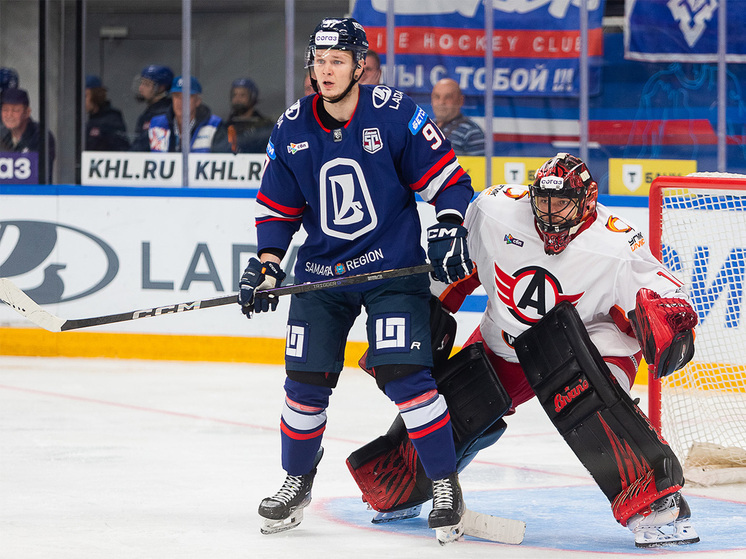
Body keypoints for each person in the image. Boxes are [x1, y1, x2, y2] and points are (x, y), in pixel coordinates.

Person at [350, 153, 701, 548]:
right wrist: (408, 326)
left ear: (587, 201)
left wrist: (672, 317)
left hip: (590, 340)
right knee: (451, 407)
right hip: (507, 336)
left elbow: (663, 291)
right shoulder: (494, 211)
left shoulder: (616, 243)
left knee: (590, 403)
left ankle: (657, 503)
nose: (550, 213)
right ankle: (404, 485)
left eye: (562, 202)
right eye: (544, 202)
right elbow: (453, 271)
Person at [237, 17, 475, 544]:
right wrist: (269, 262)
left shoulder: (395, 113)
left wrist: (449, 223)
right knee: (304, 385)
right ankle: (296, 481)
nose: (326, 71)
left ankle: (443, 484)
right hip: (322, 277)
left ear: (359, 66)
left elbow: (451, 182)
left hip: (390, 271)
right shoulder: (291, 127)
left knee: (406, 378)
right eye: (320, 61)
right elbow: (277, 209)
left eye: (337, 61)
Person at [147, 75, 229, 153]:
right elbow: (141, 155)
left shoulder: (214, 125)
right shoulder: (156, 124)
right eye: (176, 96)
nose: (180, 102)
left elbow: (223, 158)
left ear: (198, 101)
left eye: (186, 97)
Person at [0, 88, 56, 178]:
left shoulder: (41, 136)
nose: (9, 115)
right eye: (5, 110)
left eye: (15, 110)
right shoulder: (2, 134)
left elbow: (40, 175)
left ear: (27, 112)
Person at [430, 78, 484, 156]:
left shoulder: (472, 132)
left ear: (460, 100)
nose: (441, 102)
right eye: (437, 97)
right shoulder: (426, 127)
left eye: (448, 97)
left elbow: (480, 163)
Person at [131, 64, 174, 151]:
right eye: (142, 83)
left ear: (161, 88)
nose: (141, 88)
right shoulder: (148, 112)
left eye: (147, 84)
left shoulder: (166, 113)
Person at [225, 77, 274, 153]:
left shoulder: (265, 126)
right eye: (234, 95)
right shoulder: (225, 127)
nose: (237, 99)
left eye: (242, 95)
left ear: (252, 97)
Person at [84, 75, 129, 151]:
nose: (82, 101)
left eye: (85, 96)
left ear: (95, 95)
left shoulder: (112, 120)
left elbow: (121, 148)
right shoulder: (90, 121)